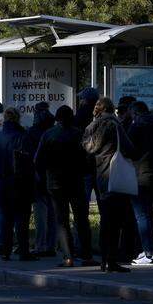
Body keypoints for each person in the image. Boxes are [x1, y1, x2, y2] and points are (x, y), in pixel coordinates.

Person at [35, 106, 97, 267]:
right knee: (81, 219)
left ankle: (68, 256)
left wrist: (46, 173)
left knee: (61, 220)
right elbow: (89, 159)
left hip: (55, 182)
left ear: (57, 118)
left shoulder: (48, 135)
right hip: (76, 181)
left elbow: (38, 159)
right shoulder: (79, 134)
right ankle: (86, 255)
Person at [82, 97, 135, 273]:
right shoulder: (115, 125)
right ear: (111, 109)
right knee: (115, 220)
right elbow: (129, 147)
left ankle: (103, 260)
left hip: (99, 174)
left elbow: (86, 149)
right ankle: (112, 259)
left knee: (105, 218)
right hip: (114, 173)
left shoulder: (91, 127)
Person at [0, 108, 37, 261]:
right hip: (19, 183)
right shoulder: (23, 137)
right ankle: (23, 250)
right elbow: (29, 163)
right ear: (18, 119)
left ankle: (5, 249)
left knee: (5, 219)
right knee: (21, 219)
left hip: (0, 183)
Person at [127, 101, 153, 266]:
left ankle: (148, 252)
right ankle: (151, 249)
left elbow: (129, 149)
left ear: (135, 113)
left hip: (140, 174)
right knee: (151, 213)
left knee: (141, 215)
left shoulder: (137, 127)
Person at [26, 102, 56, 257]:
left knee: (40, 214)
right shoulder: (54, 130)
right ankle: (52, 244)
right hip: (55, 175)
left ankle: (41, 244)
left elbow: (30, 156)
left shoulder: (32, 132)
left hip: (39, 175)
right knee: (53, 213)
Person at [115, 96, 141, 263]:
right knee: (130, 215)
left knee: (125, 215)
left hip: (125, 173)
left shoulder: (124, 127)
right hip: (135, 173)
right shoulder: (134, 125)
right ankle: (131, 248)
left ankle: (125, 249)